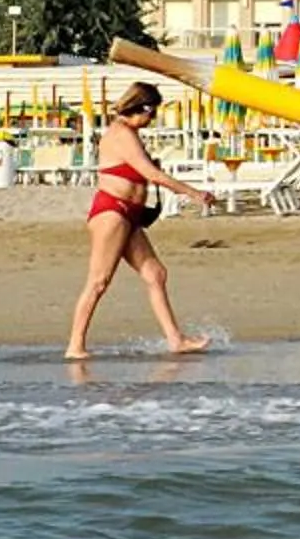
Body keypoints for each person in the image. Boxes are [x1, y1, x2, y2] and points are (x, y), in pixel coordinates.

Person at [66, 82, 219, 361]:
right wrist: (194, 193)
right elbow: (153, 175)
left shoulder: (131, 134)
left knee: (156, 274)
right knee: (99, 281)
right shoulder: (122, 133)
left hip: (129, 215)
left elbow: (142, 171)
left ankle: (176, 340)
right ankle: (75, 346)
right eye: (152, 113)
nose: (152, 120)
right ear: (143, 108)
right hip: (113, 212)